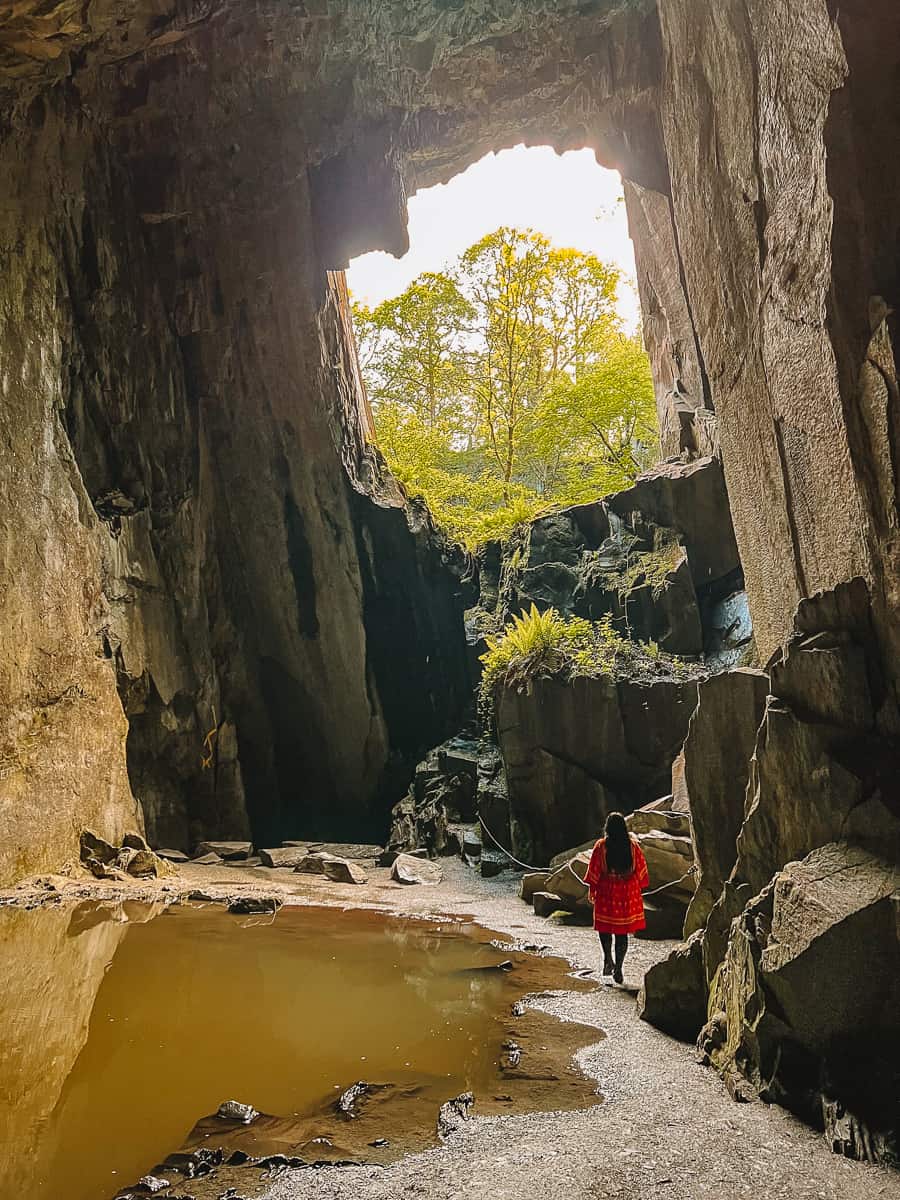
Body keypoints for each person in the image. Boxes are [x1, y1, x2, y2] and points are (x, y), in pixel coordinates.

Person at [585, 811, 649, 984]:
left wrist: (592, 889)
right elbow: (641, 872)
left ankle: (607, 959)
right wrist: (637, 887)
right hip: (627, 893)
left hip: (607, 891)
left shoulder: (601, 846)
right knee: (622, 933)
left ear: (607, 828)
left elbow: (595, 870)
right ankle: (619, 968)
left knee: (605, 928)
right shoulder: (633, 846)